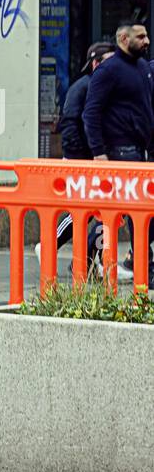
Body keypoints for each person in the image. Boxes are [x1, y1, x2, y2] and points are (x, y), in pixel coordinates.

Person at [82, 22, 154, 281]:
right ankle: (141, 266)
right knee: (126, 213)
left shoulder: (144, 68)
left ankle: (141, 263)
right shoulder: (108, 71)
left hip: (141, 151)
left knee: (139, 212)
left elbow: (146, 109)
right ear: (124, 38)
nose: (146, 40)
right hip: (120, 153)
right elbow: (90, 112)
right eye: (141, 36)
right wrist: (99, 152)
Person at [36, 42, 113, 262]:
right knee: (84, 209)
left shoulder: (104, 88)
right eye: (108, 61)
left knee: (103, 212)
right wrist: (82, 157)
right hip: (83, 159)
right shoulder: (82, 87)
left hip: (98, 159)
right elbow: (69, 123)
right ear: (95, 63)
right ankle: (50, 245)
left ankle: (89, 256)